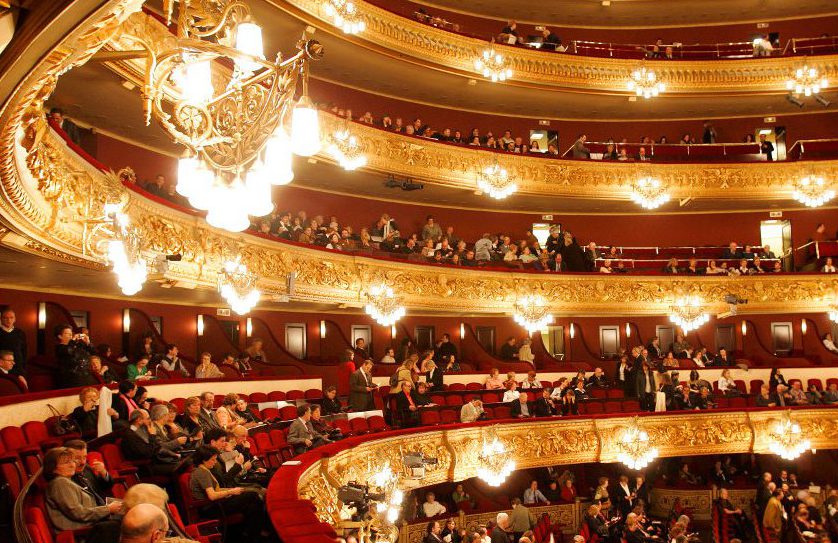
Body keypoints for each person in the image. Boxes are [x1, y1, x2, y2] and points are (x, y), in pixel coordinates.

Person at [189, 445, 265, 539]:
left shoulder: (203, 470)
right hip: (211, 508)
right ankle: (253, 533)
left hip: (215, 504)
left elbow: (216, 490)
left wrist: (231, 490)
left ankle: (250, 533)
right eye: (213, 460)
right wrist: (231, 491)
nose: (215, 462)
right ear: (204, 460)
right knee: (252, 496)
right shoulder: (201, 472)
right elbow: (212, 495)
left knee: (253, 504)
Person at [44, 447, 123, 533]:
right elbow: (78, 513)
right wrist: (108, 509)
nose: (72, 465)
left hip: (92, 524)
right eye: (66, 462)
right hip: (82, 532)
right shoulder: (60, 483)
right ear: (53, 468)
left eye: (72, 461)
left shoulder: (66, 481)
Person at [0, 308, 27, 376]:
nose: (9, 320)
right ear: (1, 319)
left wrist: (23, 367)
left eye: (11, 318)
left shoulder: (20, 333)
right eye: (5, 318)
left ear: (15, 319)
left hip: (18, 367)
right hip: (3, 369)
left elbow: (24, 351)